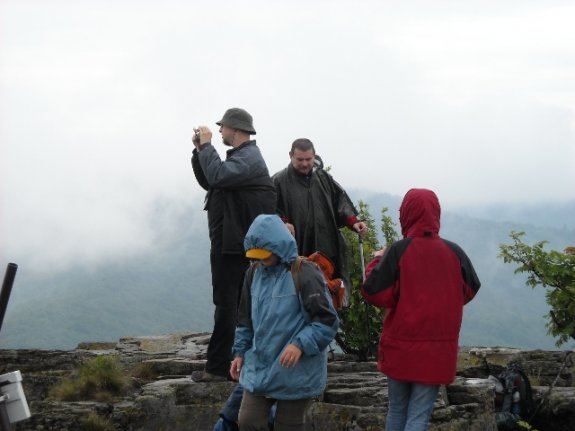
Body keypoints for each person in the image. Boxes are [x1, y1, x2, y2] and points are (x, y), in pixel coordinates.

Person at [361, 188, 481, 431]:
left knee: (397, 410)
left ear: (406, 214)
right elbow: (470, 288)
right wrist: (444, 301)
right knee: (418, 417)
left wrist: (379, 259)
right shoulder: (455, 252)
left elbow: (373, 291)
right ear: (436, 213)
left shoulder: (399, 250)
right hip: (437, 352)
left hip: (400, 348)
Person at [231, 214, 339, 431]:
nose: (261, 260)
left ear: (278, 246)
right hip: (260, 367)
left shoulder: (305, 272)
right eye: (256, 255)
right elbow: (245, 320)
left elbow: (327, 321)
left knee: (288, 426)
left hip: (297, 371)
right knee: (248, 421)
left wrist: (299, 344)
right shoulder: (253, 273)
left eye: (265, 254)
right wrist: (240, 352)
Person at [191, 108, 276, 382]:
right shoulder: (242, 158)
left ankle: (219, 367)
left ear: (235, 129)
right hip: (231, 241)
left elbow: (217, 176)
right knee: (233, 303)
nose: (219, 131)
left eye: (223, 127)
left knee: (228, 304)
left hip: (234, 244)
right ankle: (235, 364)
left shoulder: (248, 158)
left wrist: (207, 148)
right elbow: (210, 181)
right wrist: (199, 151)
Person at [272, 138, 367, 301]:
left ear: (314, 155)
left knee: (330, 294)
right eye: (300, 159)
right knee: (300, 296)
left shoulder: (324, 178)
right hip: (296, 251)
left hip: (327, 249)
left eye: (308, 159)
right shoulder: (278, 181)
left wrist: (354, 222)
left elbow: (340, 203)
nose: (304, 164)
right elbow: (269, 211)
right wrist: (282, 223)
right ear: (290, 156)